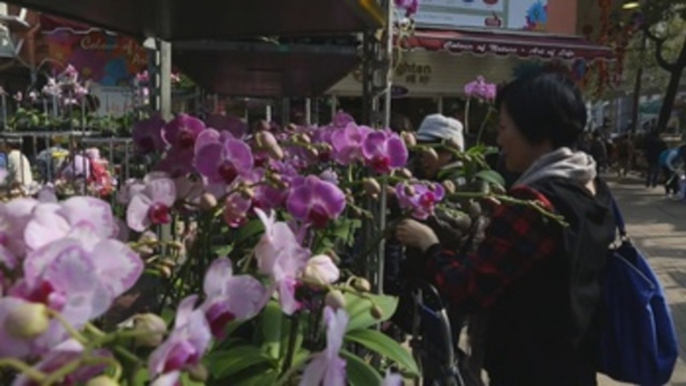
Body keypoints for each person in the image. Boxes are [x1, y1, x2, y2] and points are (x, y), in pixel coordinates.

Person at [395, 72, 616, 385]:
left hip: (528, 370)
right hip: (575, 363)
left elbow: (467, 289)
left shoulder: (532, 205)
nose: (498, 140)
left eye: (503, 127)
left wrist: (429, 244)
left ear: (536, 131)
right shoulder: (592, 185)